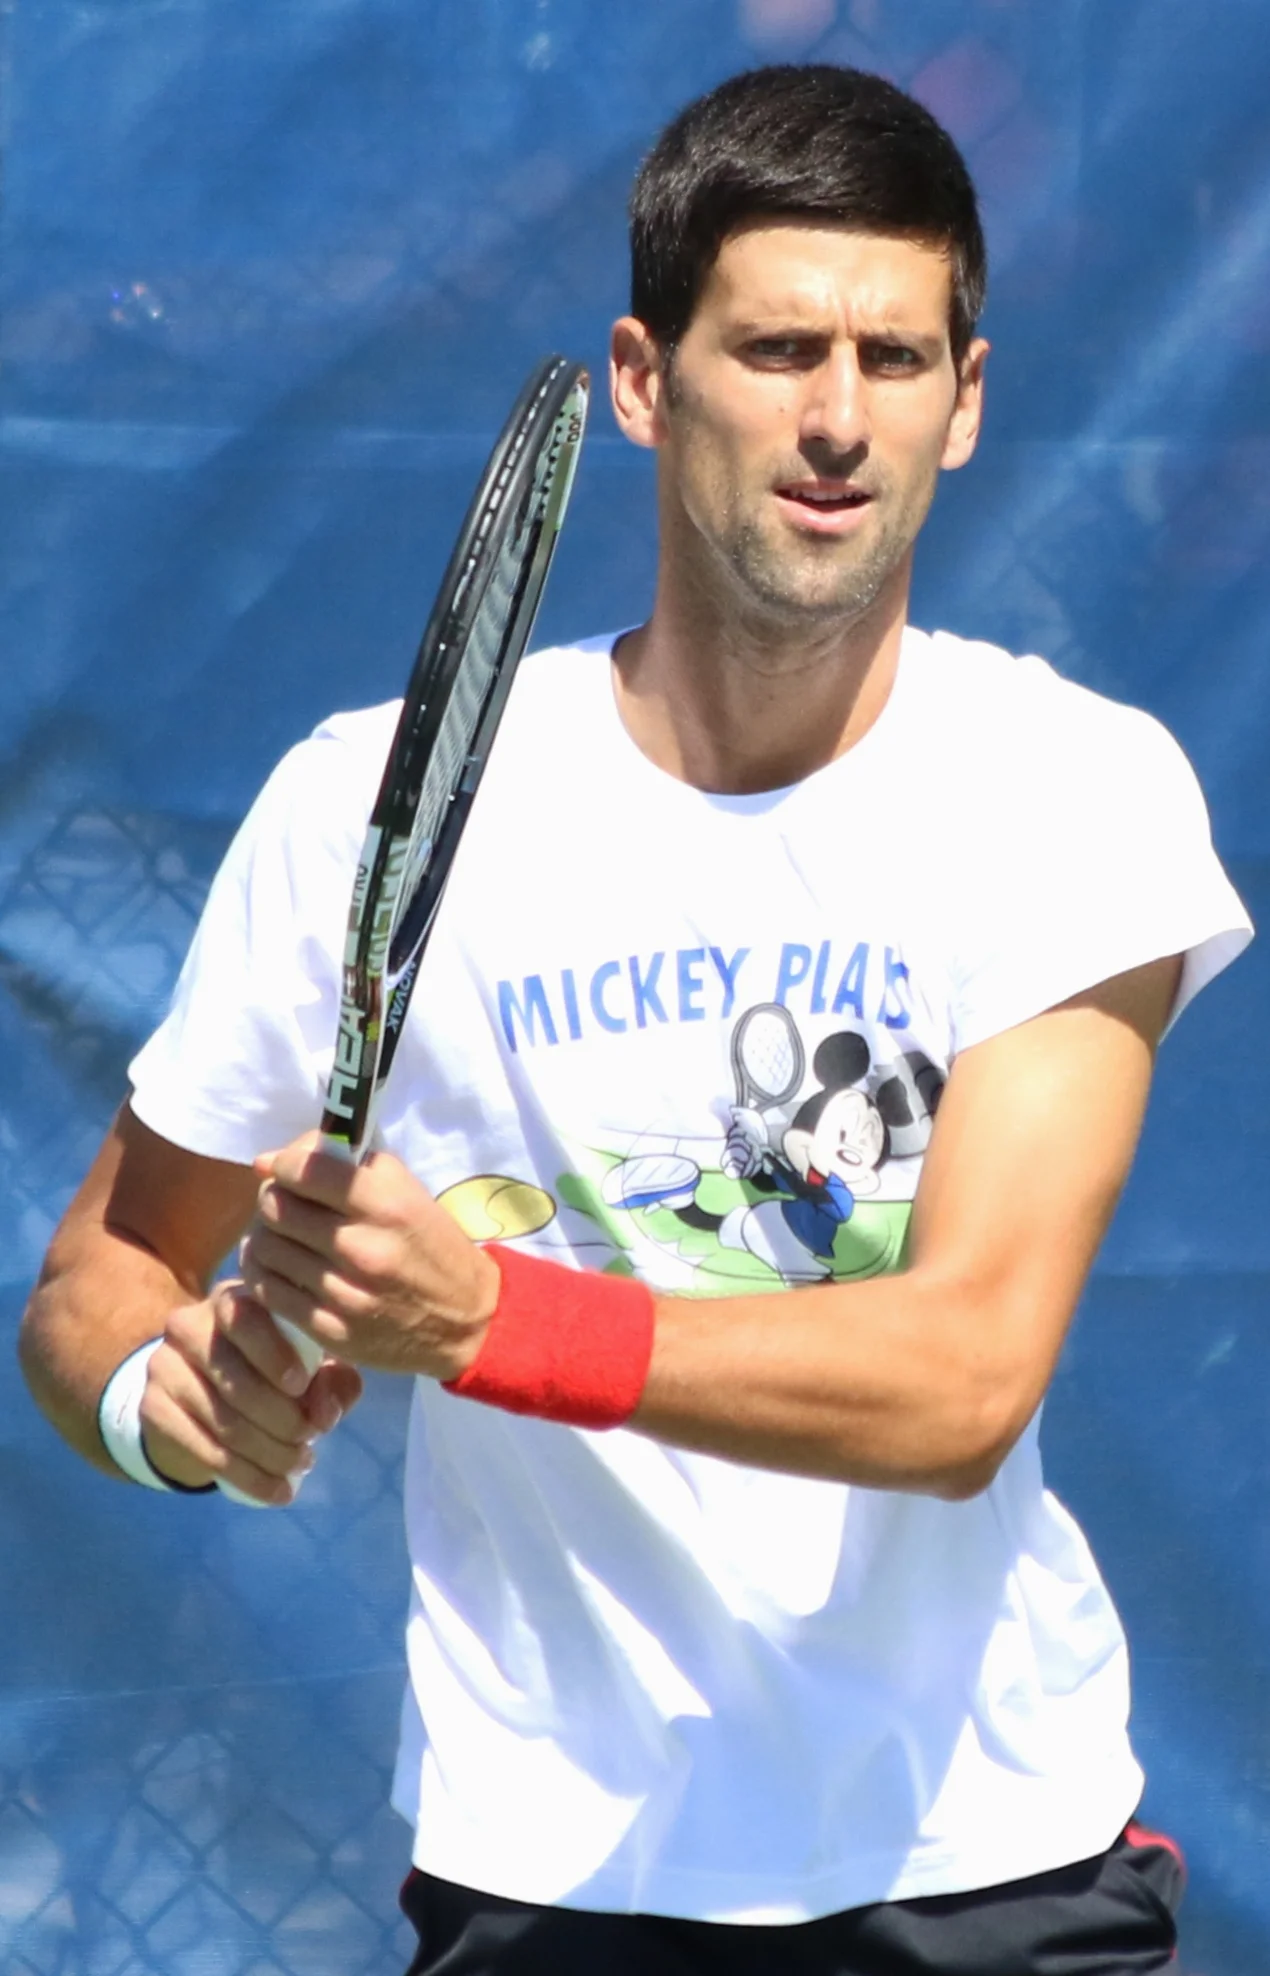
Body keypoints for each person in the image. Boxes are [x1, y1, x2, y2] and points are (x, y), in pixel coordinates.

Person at [19, 63, 1252, 1976]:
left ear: (968, 398)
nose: (838, 420)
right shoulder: (366, 800)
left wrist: (495, 1318)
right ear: (642, 376)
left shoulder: (1072, 789)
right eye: (774, 348)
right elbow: (101, 1268)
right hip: (546, 1883)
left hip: (986, 1871)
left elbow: (963, 1376)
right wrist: (165, 1405)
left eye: (897, 358)